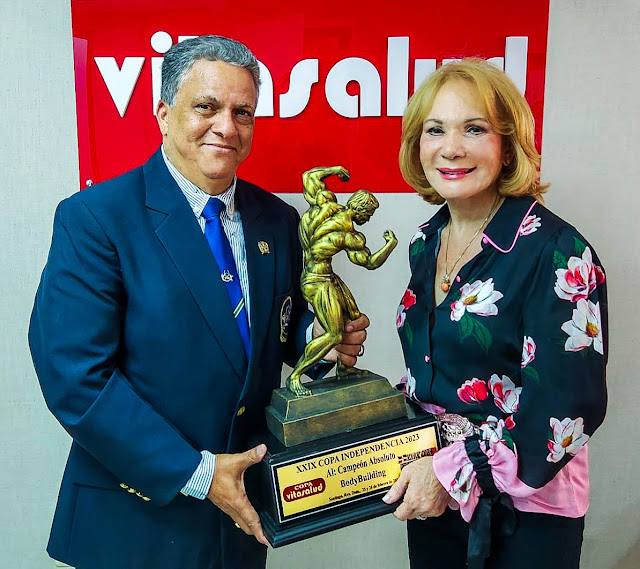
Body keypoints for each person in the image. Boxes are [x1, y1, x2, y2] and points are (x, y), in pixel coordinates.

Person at [28, 35, 368, 569]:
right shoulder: (95, 219)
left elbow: (278, 328)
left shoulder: (277, 220)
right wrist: (200, 474)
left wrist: (322, 339)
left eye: (243, 112)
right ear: (164, 115)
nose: (227, 127)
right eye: (206, 107)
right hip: (135, 524)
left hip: (240, 525)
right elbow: (75, 378)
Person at [383, 58, 607, 569]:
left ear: (507, 146)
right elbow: (437, 373)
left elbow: (569, 405)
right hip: (435, 495)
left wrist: (456, 471)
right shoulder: (426, 241)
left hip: (525, 513)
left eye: (474, 129)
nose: (451, 148)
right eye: (435, 129)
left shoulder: (557, 250)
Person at [286, 166, 398, 396]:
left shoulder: (325, 205)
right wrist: (390, 244)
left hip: (323, 276)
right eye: (369, 214)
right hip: (317, 281)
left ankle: (344, 368)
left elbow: (309, 176)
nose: (368, 219)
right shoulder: (351, 236)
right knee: (334, 334)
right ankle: (295, 376)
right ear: (362, 210)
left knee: (353, 316)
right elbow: (370, 262)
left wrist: (336, 170)